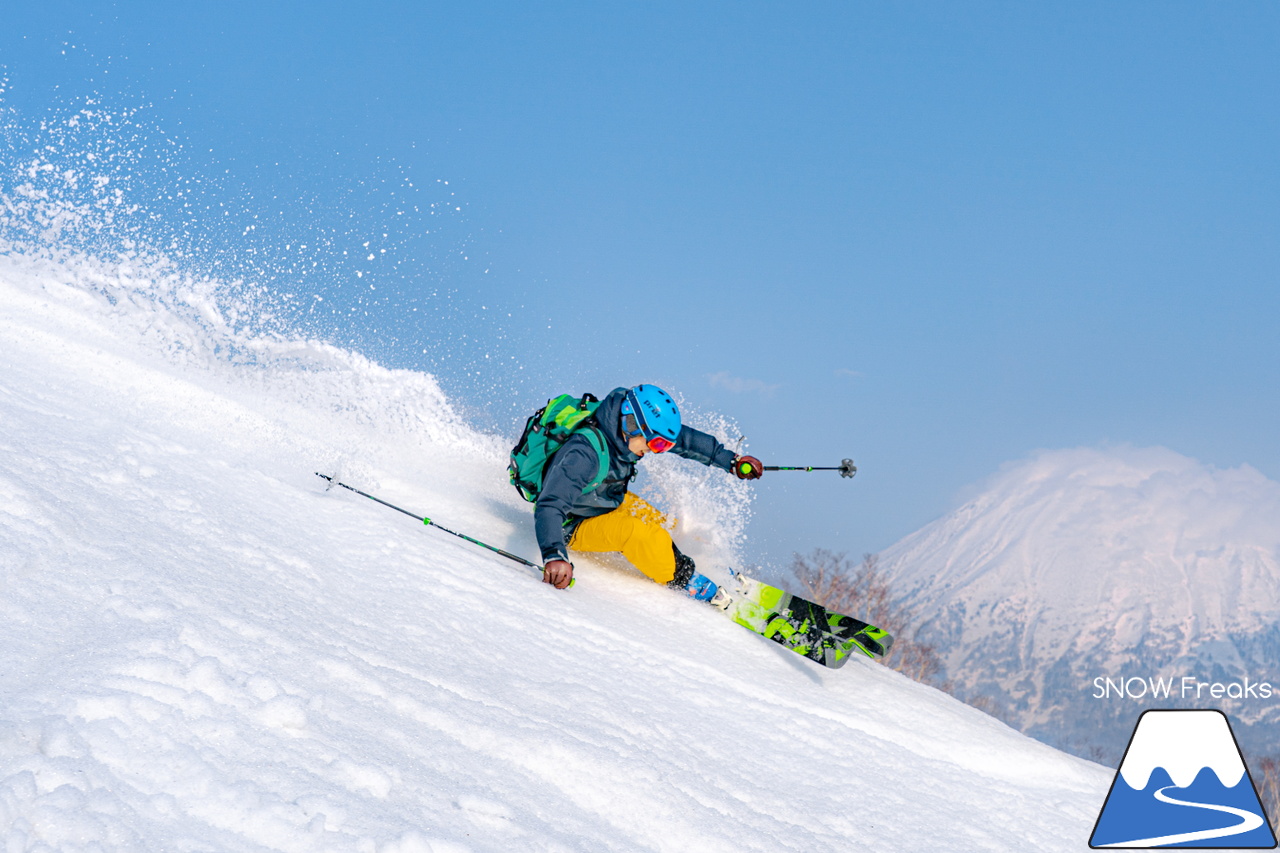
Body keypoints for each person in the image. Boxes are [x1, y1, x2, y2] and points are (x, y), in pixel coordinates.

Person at [533, 384, 763, 597]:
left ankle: (696, 563)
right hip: (571, 524)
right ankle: (687, 582)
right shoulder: (583, 454)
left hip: (602, 499)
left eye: (663, 446)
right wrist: (554, 554)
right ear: (631, 423)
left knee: (661, 524)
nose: (655, 451)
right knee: (638, 534)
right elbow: (550, 504)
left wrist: (731, 461)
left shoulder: (624, 432)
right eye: (655, 444)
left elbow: (685, 440)